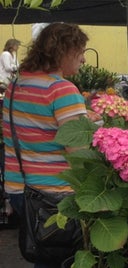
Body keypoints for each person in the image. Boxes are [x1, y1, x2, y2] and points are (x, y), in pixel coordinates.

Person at [2, 22, 93, 268]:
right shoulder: (62, 90)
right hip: (55, 193)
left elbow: (32, 131)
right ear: (63, 51)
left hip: (19, 189)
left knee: (43, 249)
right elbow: (78, 153)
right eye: (81, 51)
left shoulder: (15, 86)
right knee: (61, 258)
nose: (83, 59)